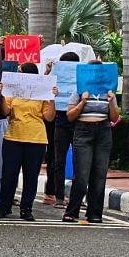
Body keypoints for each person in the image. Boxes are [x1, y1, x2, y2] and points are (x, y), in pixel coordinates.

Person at [0, 62, 58, 221]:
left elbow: (49, 117)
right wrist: (2, 94)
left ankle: (26, 208)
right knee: (9, 174)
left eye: (20, 71)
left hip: (36, 138)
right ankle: (4, 206)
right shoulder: (13, 90)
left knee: (31, 176)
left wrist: (52, 98)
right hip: (13, 136)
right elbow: (5, 111)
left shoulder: (42, 92)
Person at [62, 61, 120, 223]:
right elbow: (70, 115)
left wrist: (111, 101)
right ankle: (72, 211)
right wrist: (82, 102)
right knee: (81, 174)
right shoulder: (80, 91)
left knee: (99, 174)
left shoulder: (109, 92)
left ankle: (95, 212)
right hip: (83, 130)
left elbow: (115, 118)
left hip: (103, 131)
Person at [51, 52, 81, 208]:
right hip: (62, 119)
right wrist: (50, 72)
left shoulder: (83, 76)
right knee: (60, 160)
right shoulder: (54, 75)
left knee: (75, 161)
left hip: (76, 119)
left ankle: (70, 198)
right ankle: (60, 197)